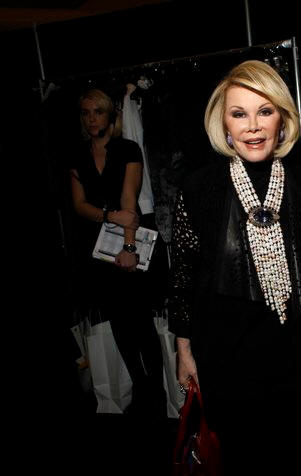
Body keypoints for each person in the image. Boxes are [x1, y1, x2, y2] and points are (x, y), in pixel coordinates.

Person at [167, 60, 301, 476]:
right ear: (223, 123)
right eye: (239, 114)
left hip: (300, 358)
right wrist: (184, 350)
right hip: (228, 361)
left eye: (265, 111)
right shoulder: (199, 188)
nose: (253, 127)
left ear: (283, 119)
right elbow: (183, 274)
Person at [69, 88, 166, 421]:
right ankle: (139, 387)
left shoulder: (127, 148)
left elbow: (130, 200)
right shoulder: (77, 155)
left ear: (110, 114)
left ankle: (157, 392)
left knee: (141, 322)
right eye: (86, 113)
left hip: (128, 244)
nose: (91, 118)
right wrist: (110, 216)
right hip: (96, 251)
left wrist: (128, 247)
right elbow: (79, 205)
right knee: (119, 324)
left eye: (97, 111)